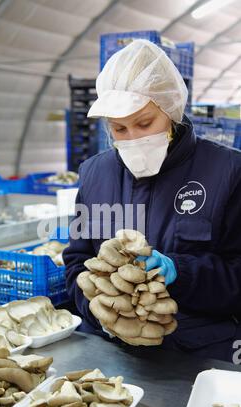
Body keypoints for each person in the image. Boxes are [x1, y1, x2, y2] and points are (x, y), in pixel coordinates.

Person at [63, 39, 241, 363]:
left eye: (145, 123)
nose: (133, 138)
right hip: (112, 353)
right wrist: (102, 312)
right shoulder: (94, 174)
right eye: (119, 128)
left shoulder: (227, 172)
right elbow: (77, 260)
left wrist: (180, 272)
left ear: (171, 110)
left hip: (200, 353)